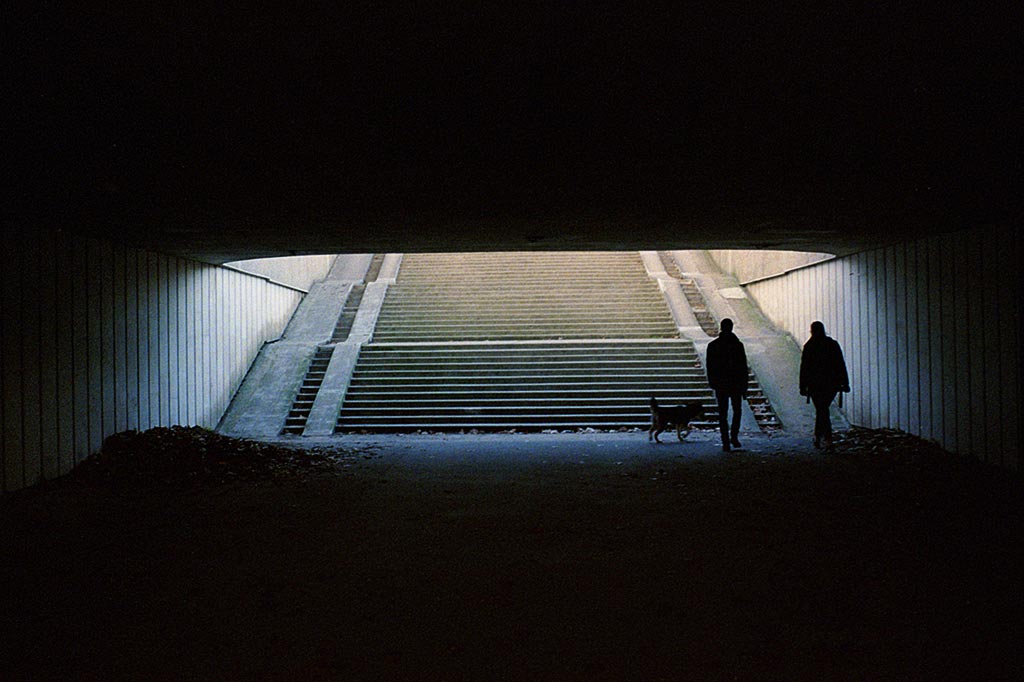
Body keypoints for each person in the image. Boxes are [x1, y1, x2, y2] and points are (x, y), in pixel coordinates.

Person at [799, 321, 850, 450]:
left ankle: (821, 437)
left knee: (821, 410)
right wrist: (845, 383)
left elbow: (804, 368)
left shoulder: (809, 346)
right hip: (831, 384)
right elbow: (840, 365)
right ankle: (825, 438)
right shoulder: (832, 345)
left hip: (815, 384)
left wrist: (802, 386)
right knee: (823, 409)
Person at [705, 318, 749, 451]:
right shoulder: (738, 345)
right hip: (735, 383)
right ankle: (734, 437)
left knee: (722, 413)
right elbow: (743, 366)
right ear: (731, 327)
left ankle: (725, 440)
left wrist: (713, 382)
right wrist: (744, 385)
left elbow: (710, 366)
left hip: (721, 384)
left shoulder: (713, 346)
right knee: (737, 411)